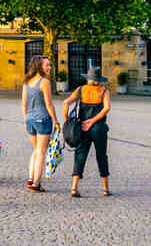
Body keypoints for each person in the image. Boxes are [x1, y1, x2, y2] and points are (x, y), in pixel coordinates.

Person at [64, 67, 113, 197]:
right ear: (99, 80)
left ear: (88, 78)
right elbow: (107, 108)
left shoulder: (81, 90)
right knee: (101, 156)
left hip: (82, 127)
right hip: (99, 128)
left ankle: (74, 187)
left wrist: (67, 120)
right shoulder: (104, 91)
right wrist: (93, 121)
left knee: (80, 155)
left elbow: (66, 102)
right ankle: (105, 189)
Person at [21, 55, 61, 193]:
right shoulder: (44, 82)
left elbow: (23, 105)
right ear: (39, 66)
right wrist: (56, 121)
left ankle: (31, 179)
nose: (49, 67)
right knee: (41, 152)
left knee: (35, 150)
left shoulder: (27, 82)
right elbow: (49, 104)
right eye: (47, 65)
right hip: (42, 119)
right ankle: (36, 183)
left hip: (30, 120)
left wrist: (26, 118)